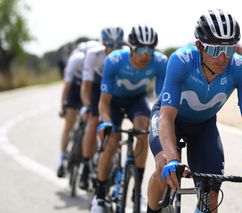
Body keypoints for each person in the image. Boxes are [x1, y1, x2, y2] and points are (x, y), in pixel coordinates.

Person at [146, 9, 242, 213]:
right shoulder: (181, 61)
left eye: (230, 49)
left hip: (204, 126)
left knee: (211, 189)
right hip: (171, 120)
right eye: (215, 50)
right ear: (199, 46)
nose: (223, 58)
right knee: (164, 166)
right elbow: (166, 117)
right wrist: (172, 159)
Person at [90, 25, 167, 213]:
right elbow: (103, 102)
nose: (146, 55)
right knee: (111, 143)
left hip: (136, 101)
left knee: (144, 130)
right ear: (130, 48)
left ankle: (136, 193)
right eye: (141, 49)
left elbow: (163, 100)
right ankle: (99, 195)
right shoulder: (114, 60)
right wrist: (106, 122)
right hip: (113, 101)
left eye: (150, 49)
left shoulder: (160, 62)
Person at [78, 27, 126, 190]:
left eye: (118, 45)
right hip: (95, 87)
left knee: (114, 128)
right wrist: (87, 106)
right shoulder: (93, 55)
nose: (113, 49)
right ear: (103, 44)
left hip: (113, 89)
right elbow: (86, 85)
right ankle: (85, 166)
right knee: (92, 122)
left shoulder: (125, 56)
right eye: (110, 45)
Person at [56, 41, 98, 177]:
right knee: (69, 123)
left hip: (90, 87)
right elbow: (67, 86)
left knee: (93, 122)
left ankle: (90, 160)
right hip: (75, 87)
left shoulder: (97, 61)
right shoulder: (75, 60)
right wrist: (63, 105)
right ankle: (61, 160)